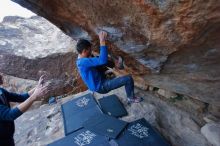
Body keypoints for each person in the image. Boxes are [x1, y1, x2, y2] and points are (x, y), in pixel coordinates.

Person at [76, 31, 143, 103]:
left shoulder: (80, 58)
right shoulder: (83, 62)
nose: (91, 50)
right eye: (89, 49)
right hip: (101, 86)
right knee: (128, 79)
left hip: (99, 79)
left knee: (97, 58)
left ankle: (116, 65)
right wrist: (102, 41)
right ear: (84, 51)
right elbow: (103, 61)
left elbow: (99, 60)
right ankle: (131, 97)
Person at [0, 75, 50, 146]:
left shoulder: (1, 91)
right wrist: (34, 97)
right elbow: (10, 115)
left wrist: (37, 88)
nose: (1, 75)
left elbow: (21, 97)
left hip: (8, 137)